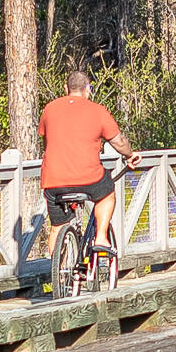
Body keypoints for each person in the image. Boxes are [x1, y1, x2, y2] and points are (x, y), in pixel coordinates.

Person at [38, 69, 136, 257]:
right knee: (107, 192)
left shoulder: (49, 109)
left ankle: (58, 274)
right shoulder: (98, 111)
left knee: (57, 228)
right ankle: (100, 237)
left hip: (53, 181)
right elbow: (118, 142)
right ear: (88, 89)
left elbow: (46, 141)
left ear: (65, 88)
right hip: (88, 178)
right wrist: (130, 155)